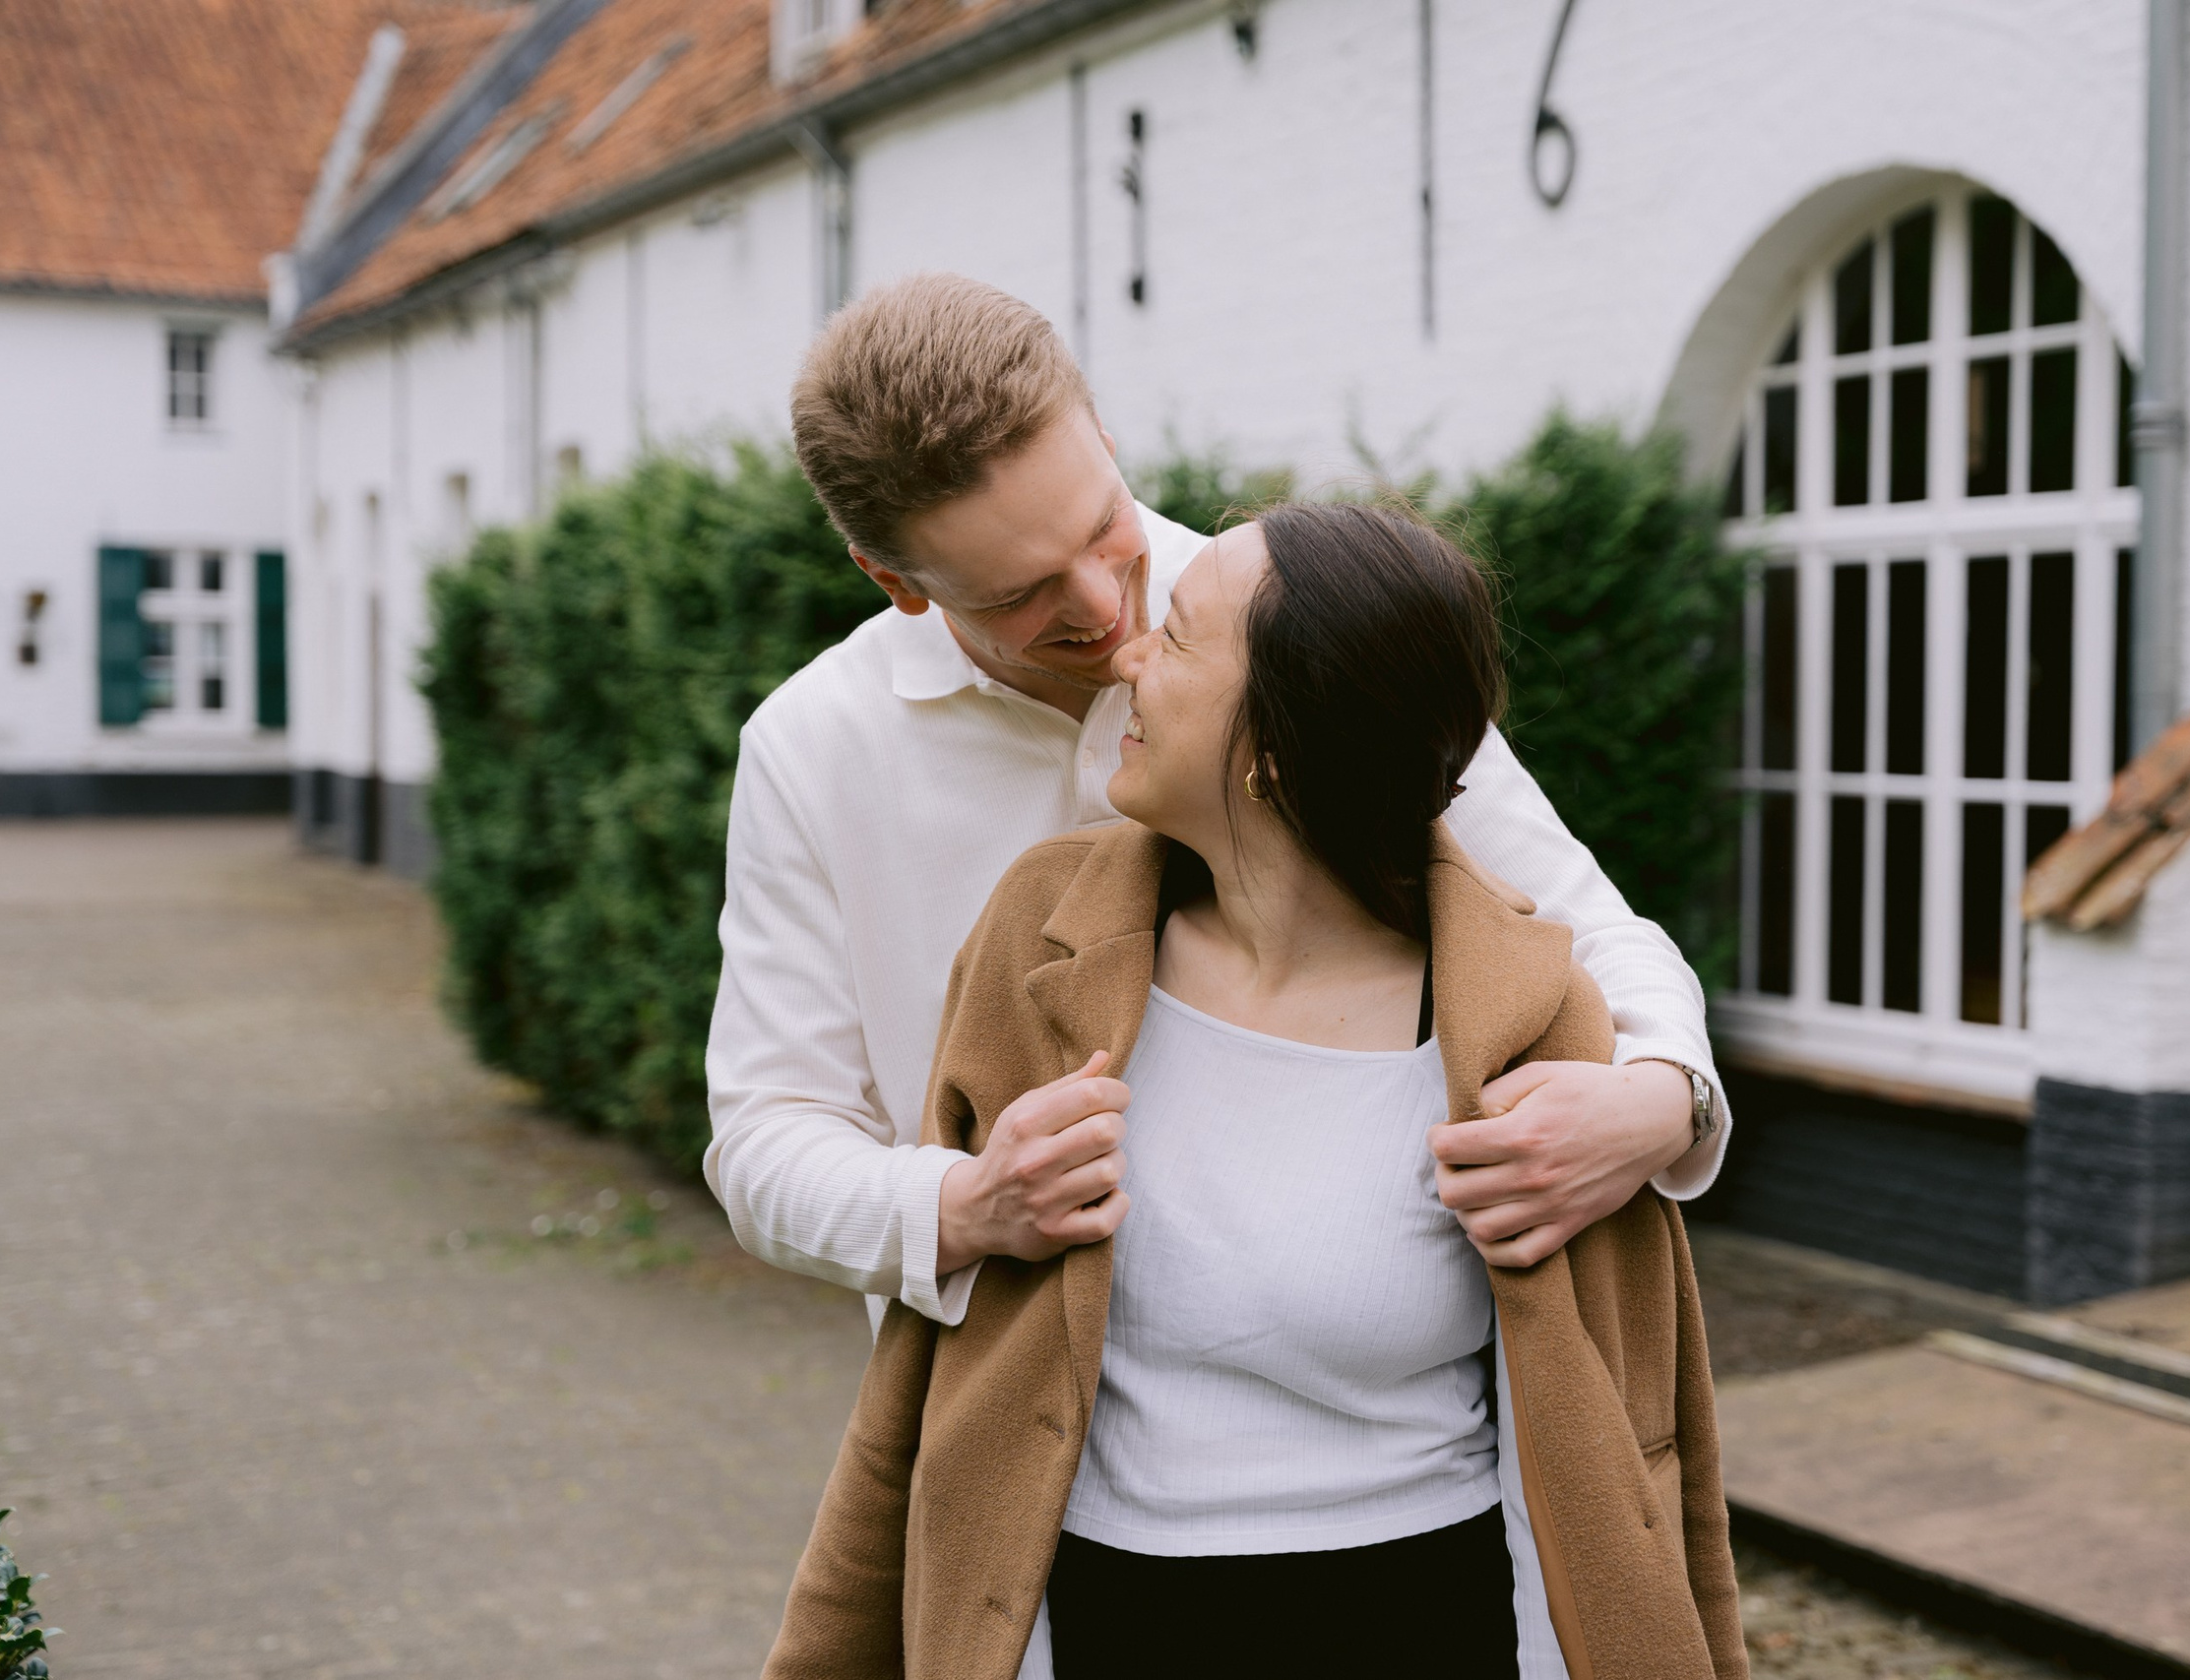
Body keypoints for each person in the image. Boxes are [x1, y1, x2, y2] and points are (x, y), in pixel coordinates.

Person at [762, 502, 1745, 1680]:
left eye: (1173, 640)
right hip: (1103, 1622)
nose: (1123, 651)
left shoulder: (1531, 1033)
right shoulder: (1038, 946)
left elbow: (1645, 1448)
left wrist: (1670, 1097)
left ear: (1277, 746)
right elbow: (915, 1397)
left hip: (1431, 1620)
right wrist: (967, 1205)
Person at [705, 273, 1728, 1338]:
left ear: (1100, 430)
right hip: (997, 1431)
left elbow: (1587, 929)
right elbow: (767, 1139)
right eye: (1019, 594)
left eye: (1103, 522)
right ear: (893, 580)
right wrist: (966, 1206)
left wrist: (1663, 1099)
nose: (1108, 613)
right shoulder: (812, 747)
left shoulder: (1284, 624)